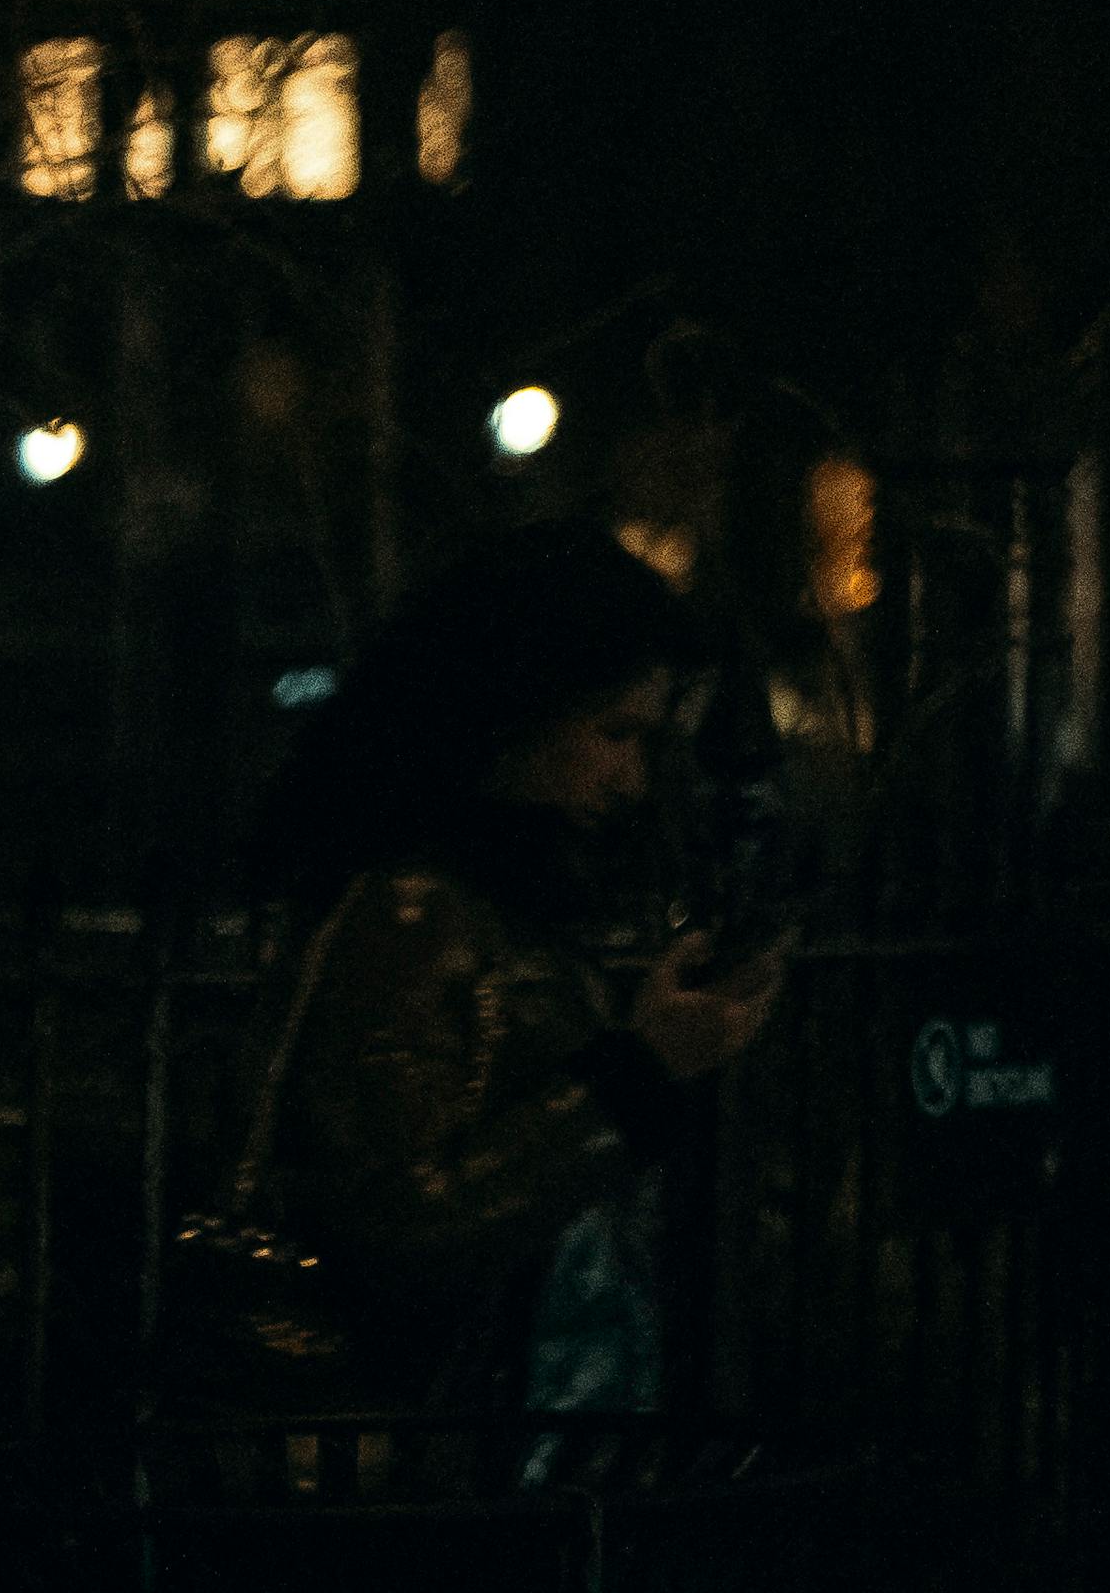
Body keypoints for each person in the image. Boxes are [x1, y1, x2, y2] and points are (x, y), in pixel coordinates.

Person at [196, 536, 793, 1432]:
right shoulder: (410, 913)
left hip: (518, 1430)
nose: (633, 780)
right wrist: (638, 1074)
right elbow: (398, 1223)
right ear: (515, 711)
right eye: (614, 734)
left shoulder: (513, 903)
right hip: (429, 1445)